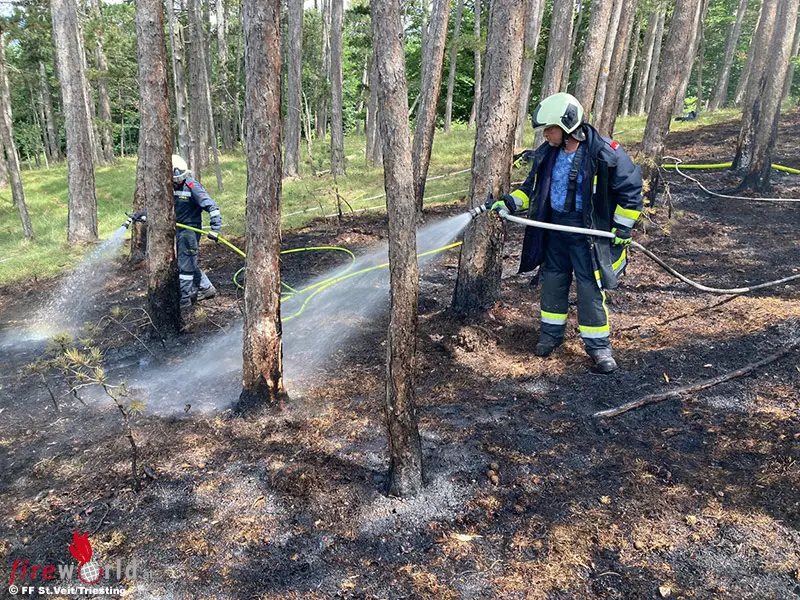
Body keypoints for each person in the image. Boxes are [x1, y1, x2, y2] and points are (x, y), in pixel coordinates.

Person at [491, 92, 643, 373]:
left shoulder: (604, 153)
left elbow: (631, 189)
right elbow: (531, 188)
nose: (545, 134)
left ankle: (599, 348)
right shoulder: (547, 154)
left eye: (550, 129)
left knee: (589, 288)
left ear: (568, 125)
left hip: (589, 233)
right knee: (553, 282)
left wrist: (623, 226)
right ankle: (550, 336)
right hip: (556, 229)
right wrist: (509, 202)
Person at [126, 155, 222, 307]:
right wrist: (141, 215)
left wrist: (215, 228)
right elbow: (160, 207)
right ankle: (206, 288)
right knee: (188, 260)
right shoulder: (169, 187)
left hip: (189, 231)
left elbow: (212, 206)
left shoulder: (193, 186)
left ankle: (185, 298)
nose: (176, 183)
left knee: (185, 265)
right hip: (178, 229)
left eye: (178, 180)